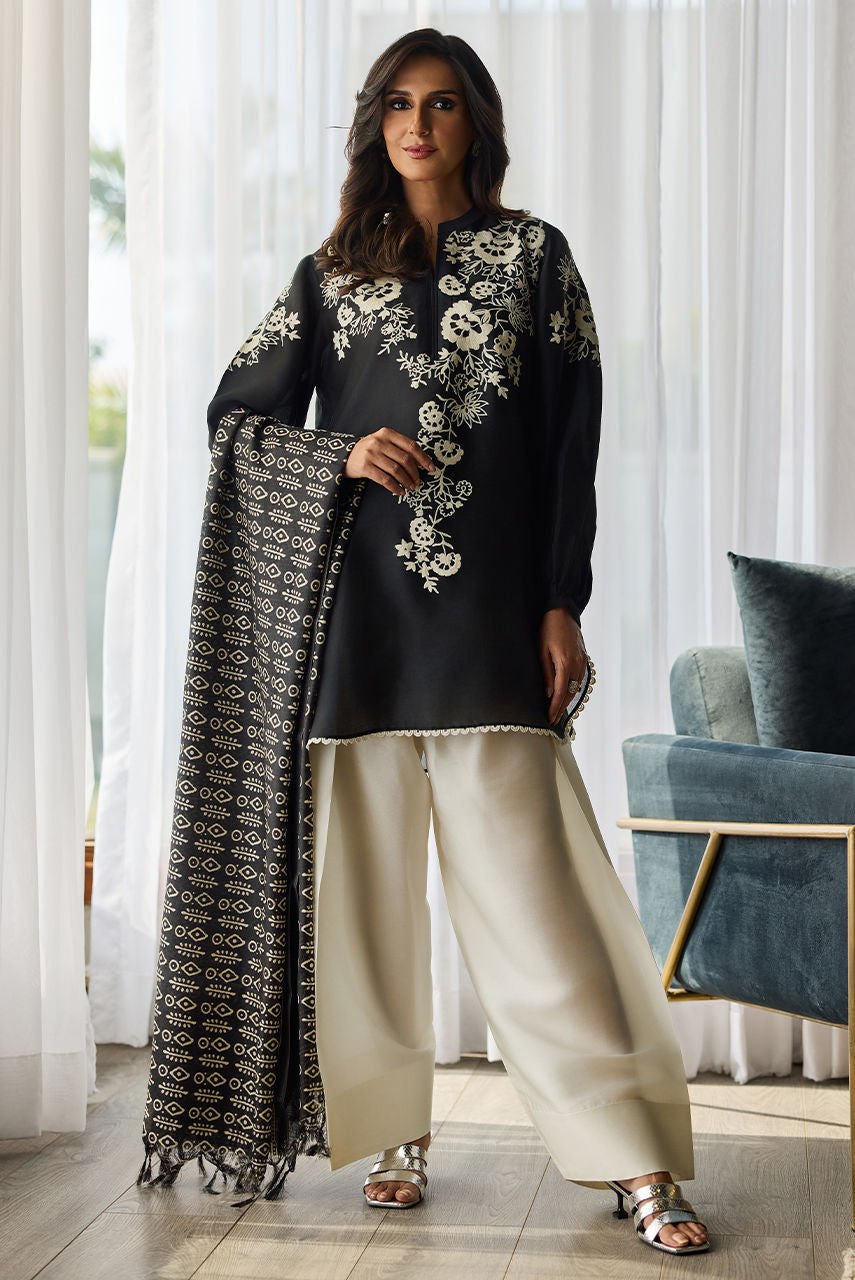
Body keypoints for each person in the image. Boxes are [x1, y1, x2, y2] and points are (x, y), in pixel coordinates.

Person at [204, 26, 710, 1257]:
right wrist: (341, 452)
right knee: (365, 903)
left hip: (487, 619)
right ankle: (392, 1132)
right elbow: (234, 418)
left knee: (543, 904)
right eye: (396, 104)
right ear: (374, 124)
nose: (416, 125)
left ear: (474, 119)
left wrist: (560, 600)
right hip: (358, 623)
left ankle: (632, 1152)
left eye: (439, 104)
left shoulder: (535, 259)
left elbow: (572, 444)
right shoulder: (331, 276)